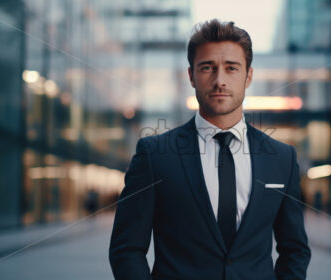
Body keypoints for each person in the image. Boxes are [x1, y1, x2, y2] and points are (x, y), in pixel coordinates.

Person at [109, 19, 311, 280]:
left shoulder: (282, 159)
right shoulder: (154, 155)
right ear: (191, 75)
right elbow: (126, 250)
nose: (219, 80)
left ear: (248, 76)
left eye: (231, 68)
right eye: (207, 68)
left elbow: (295, 250)